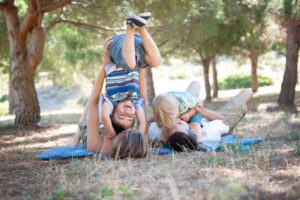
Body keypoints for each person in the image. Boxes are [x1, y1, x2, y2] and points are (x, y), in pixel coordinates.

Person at [72, 12, 161, 156]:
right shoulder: (134, 137)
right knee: (154, 61)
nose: (127, 112)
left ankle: (130, 27)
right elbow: (143, 101)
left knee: (87, 119)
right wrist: (141, 70)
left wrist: (105, 64)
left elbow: (94, 102)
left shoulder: (96, 145)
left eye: (120, 116)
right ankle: (140, 27)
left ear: (112, 111)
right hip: (129, 55)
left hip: (92, 124)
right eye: (130, 118)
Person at [149, 81, 253, 152]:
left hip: (185, 106)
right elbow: (221, 118)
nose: (176, 121)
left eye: (170, 127)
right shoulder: (205, 134)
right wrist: (199, 110)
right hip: (214, 118)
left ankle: (186, 102)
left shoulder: (165, 125)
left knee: (195, 84)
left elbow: (153, 122)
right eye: (179, 122)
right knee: (248, 92)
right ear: (192, 130)